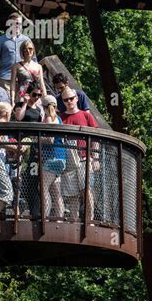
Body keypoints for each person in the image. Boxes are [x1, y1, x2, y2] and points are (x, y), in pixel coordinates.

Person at [60, 88, 99, 221]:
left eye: (71, 98)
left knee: (87, 190)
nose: (69, 101)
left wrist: (95, 158)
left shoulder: (86, 115)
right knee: (72, 195)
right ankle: (74, 221)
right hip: (69, 160)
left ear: (77, 98)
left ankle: (89, 221)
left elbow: (96, 138)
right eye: (66, 99)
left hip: (84, 158)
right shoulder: (61, 118)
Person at [14, 81, 43, 216]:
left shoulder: (38, 109)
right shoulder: (20, 105)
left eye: (39, 95)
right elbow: (19, 118)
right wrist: (25, 103)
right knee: (22, 173)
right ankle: (17, 209)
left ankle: (35, 211)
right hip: (23, 143)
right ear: (28, 94)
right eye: (34, 94)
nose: (37, 97)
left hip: (34, 146)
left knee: (33, 177)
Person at [0, 12, 34, 93]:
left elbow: (33, 59)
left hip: (23, 80)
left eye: (19, 23)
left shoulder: (27, 40)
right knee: (6, 104)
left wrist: (34, 76)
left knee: (21, 104)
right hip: (5, 79)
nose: (17, 25)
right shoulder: (1, 40)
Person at [41, 95, 65, 218]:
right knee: (56, 192)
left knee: (43, 188)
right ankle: (59, 219)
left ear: (44, 107)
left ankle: (45, 217)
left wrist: (38, 139)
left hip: (51, 157)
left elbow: (50, 140)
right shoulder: (59, 119)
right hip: (61, 158)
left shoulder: (49, 118)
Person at [10, 39, 46, 105]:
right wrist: (12, 99)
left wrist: (45, 99)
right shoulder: (16, 66)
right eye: (25, 49)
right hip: (22, 95)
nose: (28, 51)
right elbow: (12, 84)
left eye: (30, 48)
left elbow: (42, 84)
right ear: (22, 51)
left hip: (35, 95)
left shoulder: (38, 66)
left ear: (33, 50)